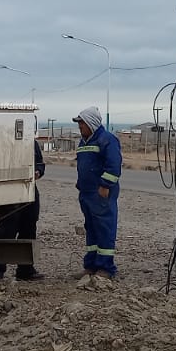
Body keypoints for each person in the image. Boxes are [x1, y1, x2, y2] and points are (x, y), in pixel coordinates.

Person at [0, 139, 45, 282]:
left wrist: (38, 171)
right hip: (10, 190)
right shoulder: (5, 141)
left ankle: (25, 270)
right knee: (7, 229)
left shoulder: (32, 142)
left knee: (29, 229)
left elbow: (40, 164)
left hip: (29, 191)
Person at [73, 106, 121, 280]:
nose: (80, 127)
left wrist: (105, 185)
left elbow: (114, 165)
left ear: (91, 123)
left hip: (101, 194)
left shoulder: (107, 140)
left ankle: (106, 268)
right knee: (91, 229)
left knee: (104, 228)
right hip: (86, 194)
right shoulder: (83, 142)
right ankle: (91, 265)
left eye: (82, 124)